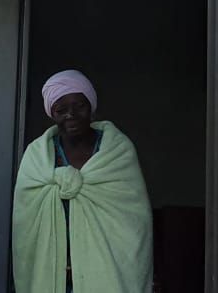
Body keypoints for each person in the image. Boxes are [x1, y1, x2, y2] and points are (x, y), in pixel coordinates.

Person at [13, 70, 153, 293]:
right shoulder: (36, 158)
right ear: (52, 113)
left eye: (79, 106)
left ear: (92, 108)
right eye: (61, 109)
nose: (71, 115)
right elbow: (25, 230)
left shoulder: (117, 153)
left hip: (108, 277)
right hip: (51, 277)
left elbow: (133, 228)